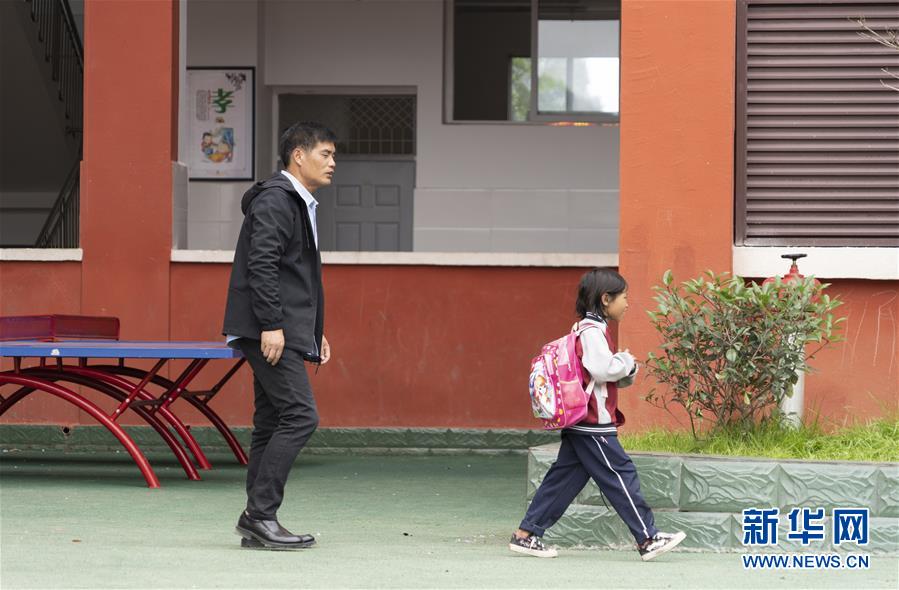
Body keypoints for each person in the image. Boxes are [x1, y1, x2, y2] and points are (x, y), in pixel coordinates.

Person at [509, 268, 686, 561]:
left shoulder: (583, 328)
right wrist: (626, 360)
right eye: (623, 297)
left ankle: (526, 535)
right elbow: (603, 370)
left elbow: (600, 375)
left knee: (563, 481)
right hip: (593, 423)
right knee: (621, 474)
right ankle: (648, 538)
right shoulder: (593, 332)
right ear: (606, 299)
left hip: (581, 422)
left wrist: (624, 367)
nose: (627, 303)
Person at [222, 121, 337, 550]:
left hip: (281, 328)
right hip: (269, 330)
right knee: (300, 416)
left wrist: (314, 331)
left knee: (271, 421)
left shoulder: (296, 201)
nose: (333, 163)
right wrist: (271, 324)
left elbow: (296, 275)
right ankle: (259, 515)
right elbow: (263, 265)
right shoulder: (276, 200)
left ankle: (257, 522)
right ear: (299, 156)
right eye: (325, 154)